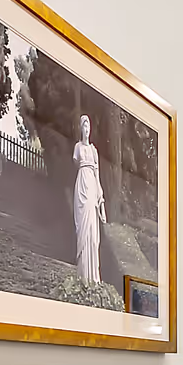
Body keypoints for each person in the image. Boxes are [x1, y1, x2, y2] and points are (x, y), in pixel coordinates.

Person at [72, 114, 104, 282]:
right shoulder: (78, 147)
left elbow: (97, 176)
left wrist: (101, 202)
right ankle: (83, 275)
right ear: (81, 128)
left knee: (92, 232)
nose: (87, 129)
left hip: (91, 186)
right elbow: (77, 163)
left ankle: (93, 277)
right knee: (82, 230)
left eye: (88, 126)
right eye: (84, 126)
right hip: (81, 186)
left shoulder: (94, 151)